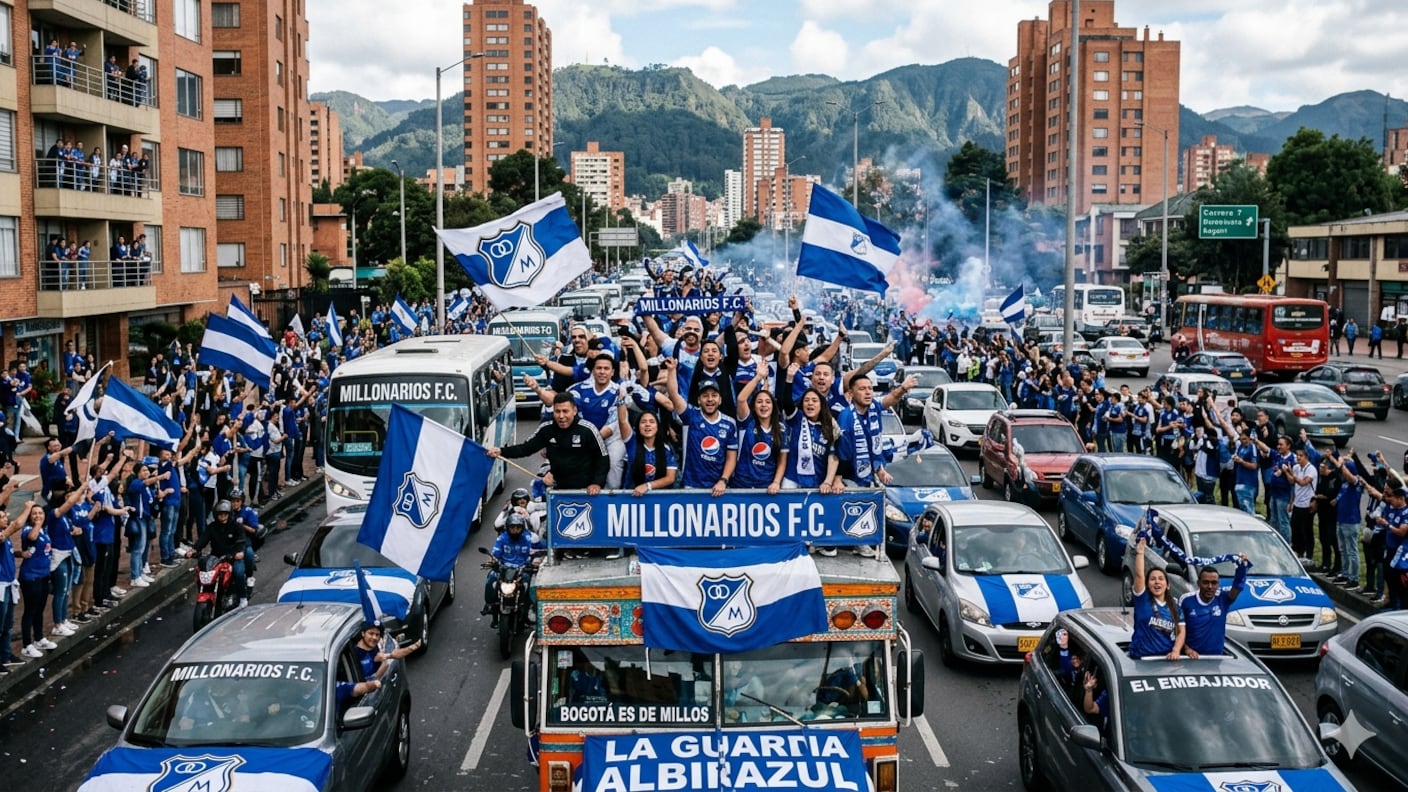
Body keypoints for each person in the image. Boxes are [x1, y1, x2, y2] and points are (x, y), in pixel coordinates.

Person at [486, 393, 608, 494]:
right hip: (558, 489)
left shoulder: (588, 429)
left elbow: (603, 457)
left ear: (574, 411)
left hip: (586, 490)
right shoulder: (546, 429)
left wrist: (597, 483)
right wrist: (501, 451)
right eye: (557, 411)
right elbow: (526, 448)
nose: (561, 416)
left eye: (565, 411)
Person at [1128, 535, 1186, 660]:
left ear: (1168, 585)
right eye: (1152, 579)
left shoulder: (1176, 606)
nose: (1157, 582)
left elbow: (1181, 632)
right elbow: (1139, 575)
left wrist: (1176, 651)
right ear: (1147, 585)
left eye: (1161, 579)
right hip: (1141, 659)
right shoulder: (1142, 599)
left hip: (1165, 660)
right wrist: (1140, 553)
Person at [482, 512, 545, 626]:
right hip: (505, 568)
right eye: (512, 527)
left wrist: (536, 562)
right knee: (491, 578)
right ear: (508, 528)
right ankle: (490, 605)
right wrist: (493, 561)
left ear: (522, 527)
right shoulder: (502, 538)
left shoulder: (531, 538)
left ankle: (528, 612)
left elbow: (538, 554)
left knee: (530, 586)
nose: (515, 530)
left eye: (518, 527)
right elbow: (496, 554)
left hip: (523, 569)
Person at [1179, 558, 1249, 658]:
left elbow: (1238, 585)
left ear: (1218, 584)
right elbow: (1177, 629)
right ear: (1198, 583)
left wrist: (1242, 565)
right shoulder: (1186, 600)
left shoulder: (1223, 599)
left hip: (1216, 659)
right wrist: (1187, 649)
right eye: (1206, 582)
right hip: (1191, 659)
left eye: (1214, 583)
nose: (1210, 586)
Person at [185, 500, 249, 607]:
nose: (223, 516)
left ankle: (242, 598)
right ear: (216, 515)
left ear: (229, 514)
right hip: (216, 558)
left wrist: (236, 553)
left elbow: (241, 541)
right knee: (204, 572)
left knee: (238, 572)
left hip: (232, 557)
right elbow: (203, 539)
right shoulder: (212, 527)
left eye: (225, 514)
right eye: (220, 514)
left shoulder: (236, 526)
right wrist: (194, 550)